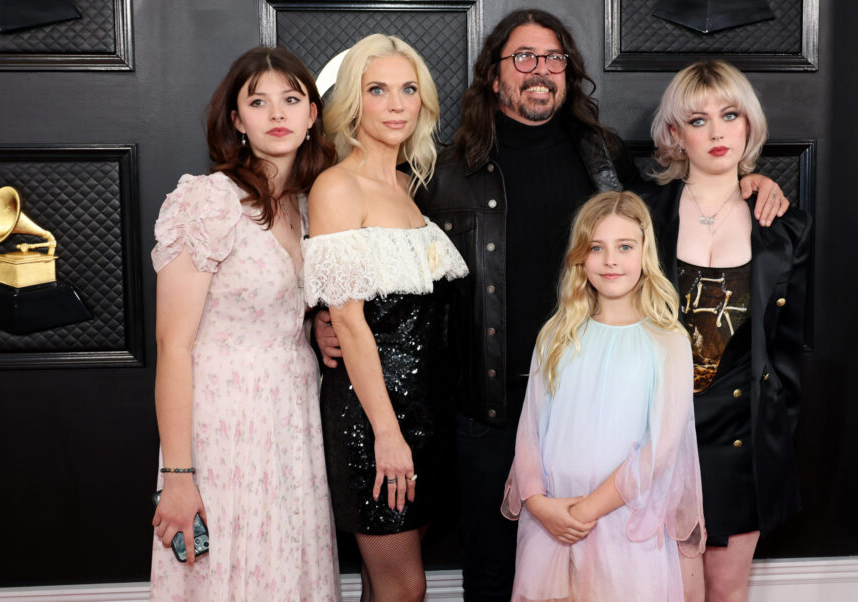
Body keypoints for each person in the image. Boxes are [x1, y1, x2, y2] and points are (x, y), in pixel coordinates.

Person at [316, 9, 789, 599]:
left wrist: (750, 178)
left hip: (591, 406)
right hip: (486, 410)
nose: (540, 70)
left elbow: (670, 209)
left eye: (553, 58)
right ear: (494, 76)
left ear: (567, 72)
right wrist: (323, 317)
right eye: (523, 58)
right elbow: (371, 253)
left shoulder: (604, 157)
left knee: (596, 573)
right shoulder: (443, 168)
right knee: (493, 574)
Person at [149, 47, 339, 600]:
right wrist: (178, 477)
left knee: (285, 568)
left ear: (311, 115)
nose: (276, 113)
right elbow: (173, 344)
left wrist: (314, 329)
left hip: (293, 417)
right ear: (237, 120)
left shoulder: (312, 205)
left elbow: (275, 309)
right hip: (222, 424)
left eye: (291, 99)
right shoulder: (208, 201)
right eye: (258, 102)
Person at [301, 34, 468, 602]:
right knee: (406, 587)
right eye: (378, 90)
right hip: (373, 417)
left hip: (427, 409)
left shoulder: (407, 185)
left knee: (385, 586)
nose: (396, 104)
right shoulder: (336, 185)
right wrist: (387, 434)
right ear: (353, 102)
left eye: (408, 89)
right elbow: (348, 321)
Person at [639, 60, 813, 602]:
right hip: (654, 433)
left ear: (748, 126)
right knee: (658, 587)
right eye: (698, 120)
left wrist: (776, 425)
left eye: (730, 115)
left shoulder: (785, 228)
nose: (717, 132)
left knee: (725, 591)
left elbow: (790, 345)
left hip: (741, 434)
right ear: (674, 134)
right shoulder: (640, 215)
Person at [501, 190, 706, 601]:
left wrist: (587, 511)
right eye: (597, 247)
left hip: (624, 522)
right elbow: (530, 431)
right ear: (581, 257)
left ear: (645, 253)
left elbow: (661, 450)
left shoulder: (667, 341)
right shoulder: (557, 335)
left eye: (625, 247)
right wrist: (540, 505)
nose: (611, 260)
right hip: (552, 521)